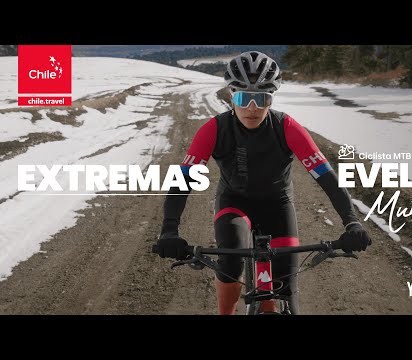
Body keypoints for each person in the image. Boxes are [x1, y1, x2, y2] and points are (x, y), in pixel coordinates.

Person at [155, 51, 371, 315]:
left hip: (277, 204)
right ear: (231, 95)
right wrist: (169, 230)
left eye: (262, 98)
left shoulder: (287, 127)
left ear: (271, 98)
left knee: (285, 280)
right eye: (243, 98)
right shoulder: (214, 129)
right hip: (234, 202)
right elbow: (183, 181)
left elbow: (326, 177)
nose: (252, 107)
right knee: (231, 258)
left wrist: (351, 221)